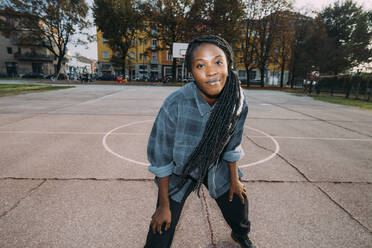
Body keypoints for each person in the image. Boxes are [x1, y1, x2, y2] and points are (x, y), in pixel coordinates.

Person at [144, 35, 255, 248]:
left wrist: (234, 179)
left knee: (239, 203)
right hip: (180, 170)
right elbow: (161, 158)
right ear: (191, 72)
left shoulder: (237, 99)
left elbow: (233, 143)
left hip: (216, 164)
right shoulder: (175, 104)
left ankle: (241, 235)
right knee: (161, 228)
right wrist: (164, 205)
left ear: (229, 63)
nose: (211, 71)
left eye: (217, 62)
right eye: (200, 65)